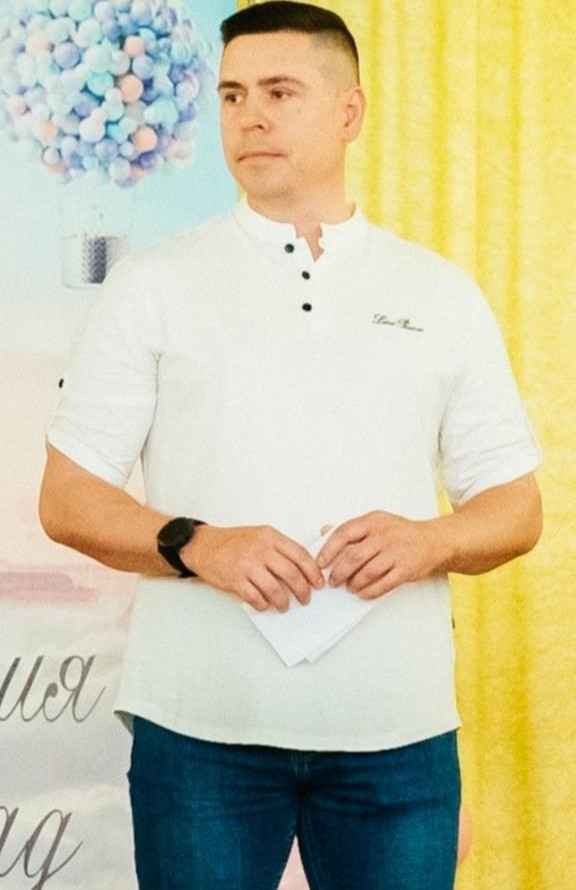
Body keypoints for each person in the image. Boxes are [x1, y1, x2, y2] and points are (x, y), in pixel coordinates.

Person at [39, 2, 543, 888]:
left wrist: (429, 540)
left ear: (350, 111)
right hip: (199, 733)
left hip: (396, 734)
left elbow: (515, 508)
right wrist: (197, 544)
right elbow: (68, 498)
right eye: (232, 96)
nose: (251, 118)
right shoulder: (152, 285)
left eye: (280, 92)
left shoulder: (439, 292)